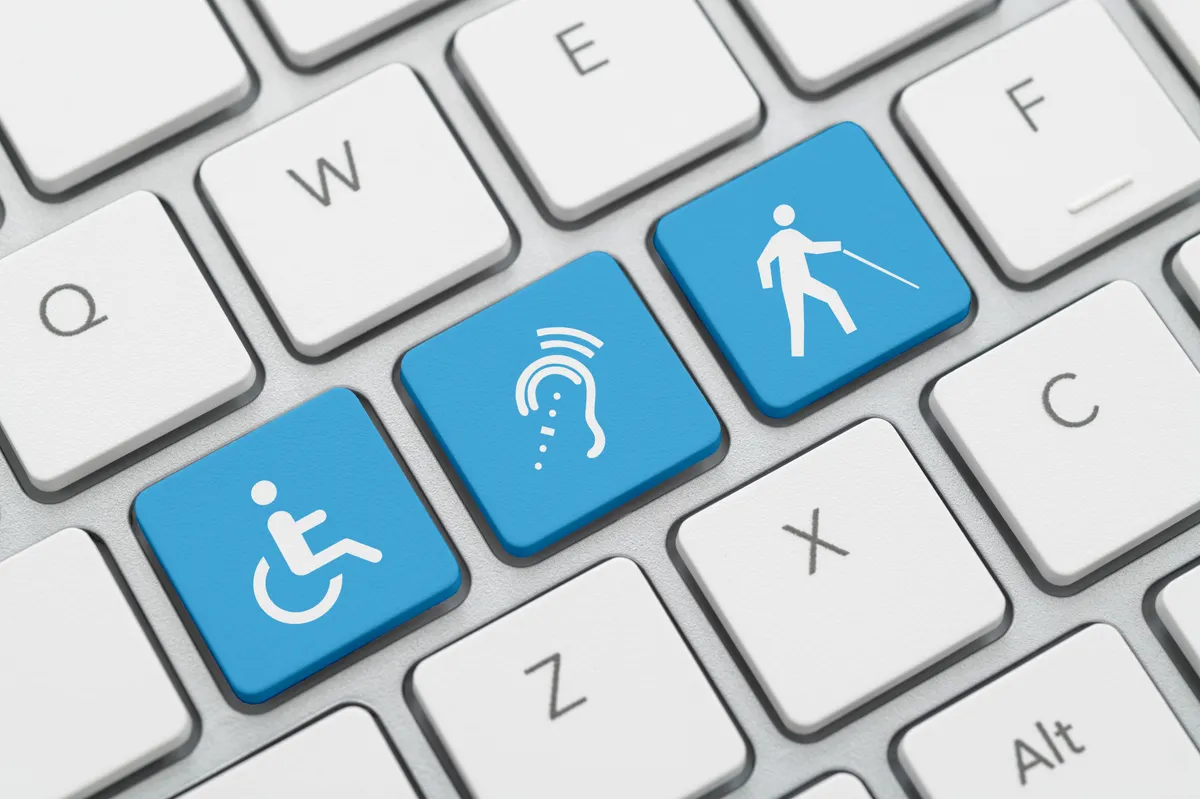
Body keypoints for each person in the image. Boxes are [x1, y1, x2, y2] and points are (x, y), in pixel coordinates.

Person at [756, 204, 856, 357]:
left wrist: (837, 246)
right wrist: (768, 285)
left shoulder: (790, 235)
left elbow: (812, 248)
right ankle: (798, 356)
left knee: (831, 296)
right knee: (798, 320)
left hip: (803, 280)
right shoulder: (779, 239)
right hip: (791, 284)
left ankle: (851, 331)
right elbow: (762, 261)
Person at [252, 481, 382, 576]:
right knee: (345, 545)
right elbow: (296, 531)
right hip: (304, 565)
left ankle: (374, 558)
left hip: (302, 562)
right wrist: (317, 518)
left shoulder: (275, 519)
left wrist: (316, 518)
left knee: (343, 545)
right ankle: (375, 557)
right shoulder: (279, 518)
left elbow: (294, 533)